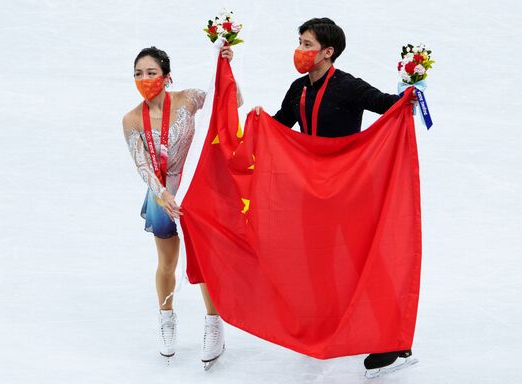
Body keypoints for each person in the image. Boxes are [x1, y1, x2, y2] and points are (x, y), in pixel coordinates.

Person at [253, 18, 416, 377]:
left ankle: (393, 338)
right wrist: (257, 123)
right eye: (300, 41)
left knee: (362, 259)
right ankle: (328, 325)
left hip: (347, 189)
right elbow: (280, 126)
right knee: (316, 261)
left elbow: (391, 107)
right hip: (308, 191)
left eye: (308, 44)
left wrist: (411, 90)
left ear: (328, 52)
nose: (301, 50)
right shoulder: (297, 88)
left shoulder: (348, 86)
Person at [122, 45, 241, 368]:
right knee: (167, 263)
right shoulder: (132, 119)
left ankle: (214, 325)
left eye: (151, 72)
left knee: (202, 261)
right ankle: (166, 319)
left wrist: (226, 67)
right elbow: (142, 165)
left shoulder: (188, 98)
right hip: (162, 195)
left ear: (166, 76)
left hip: (195, 190)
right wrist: (163, 195)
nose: (144, 79)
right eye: (138, 74)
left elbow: (231, 102)